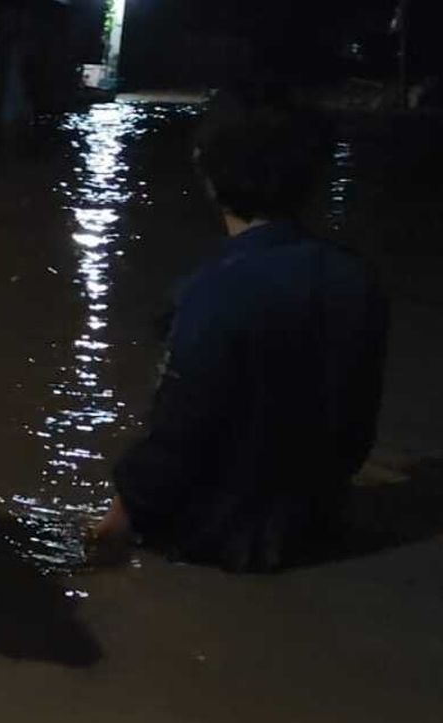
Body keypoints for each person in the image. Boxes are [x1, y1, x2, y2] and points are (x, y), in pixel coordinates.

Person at [88, 87, 388, 572]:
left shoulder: (213, 292)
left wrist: (121, 515)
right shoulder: (358, 279)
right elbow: (355, 427)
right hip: (319, 525)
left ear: (207, 171)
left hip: (213, 540)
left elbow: (178, 435)